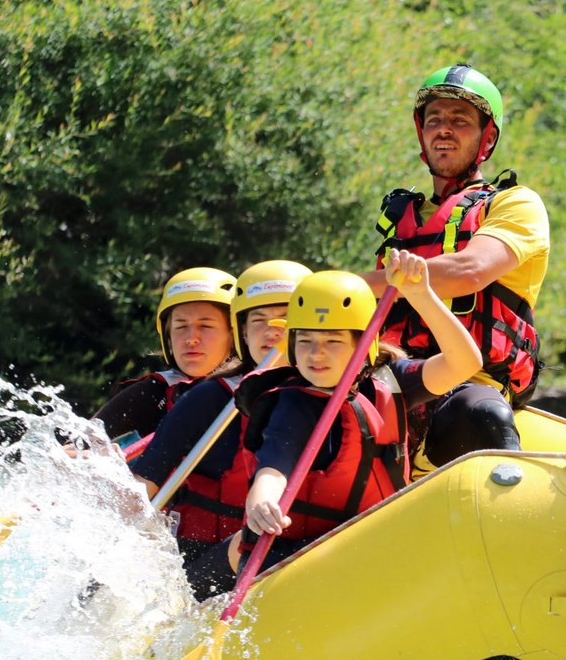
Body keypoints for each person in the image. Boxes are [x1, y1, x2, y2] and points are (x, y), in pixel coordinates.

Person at [186, 253, 481, 598]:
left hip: (373, 539)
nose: (316, 355)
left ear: (364, 344)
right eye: (306, 341)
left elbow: (465, 362)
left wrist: (422, 296)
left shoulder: (393, 382)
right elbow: (273, 469)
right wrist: (262, 503)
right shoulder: (291, 403)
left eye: (333, 342)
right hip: (298, 553)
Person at [363, 64, 548, 473]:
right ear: (421, 134)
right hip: (398, 379)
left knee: (479, 411)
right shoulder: (400, 217)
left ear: (487, 138)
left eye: (460, 121)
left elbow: (469, 270)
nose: (444, 129)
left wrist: (350, 285)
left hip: (469, 381)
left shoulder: (515, 204)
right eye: (435, 120)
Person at [127, 260, 310, 565]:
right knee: (251, 540)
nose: (272, 331)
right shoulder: (210, 398)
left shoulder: (342, 391)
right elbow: (141, 490)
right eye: (259, 320)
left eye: (285, 320)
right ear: (242, 333)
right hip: (211, 558)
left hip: (310, 542)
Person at [92, 267, 238, 445]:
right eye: (181, 326)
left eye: (206, 326)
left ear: (234, 335)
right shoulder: (151, 393)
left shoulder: (256, 392)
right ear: (168, 335)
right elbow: (75, 445)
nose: (191, 338)